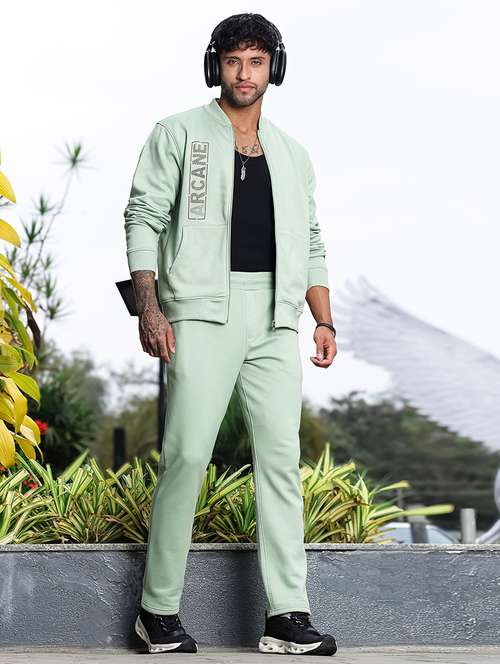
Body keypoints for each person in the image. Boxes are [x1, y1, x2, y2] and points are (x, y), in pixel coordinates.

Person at [123, 12, 338, 657]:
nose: (245, 73)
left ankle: (287, 615)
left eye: (257, 61)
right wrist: (149, 308)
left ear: (274, 68)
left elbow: (312, 242)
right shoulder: (177, 133)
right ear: (216, 64)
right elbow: (142, 216)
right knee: (188, 455)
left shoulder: (293, 154)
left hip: (275, 316)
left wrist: (323, 318)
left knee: (281, 461)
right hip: (198, 310)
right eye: (233, 60)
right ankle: (157, 612)